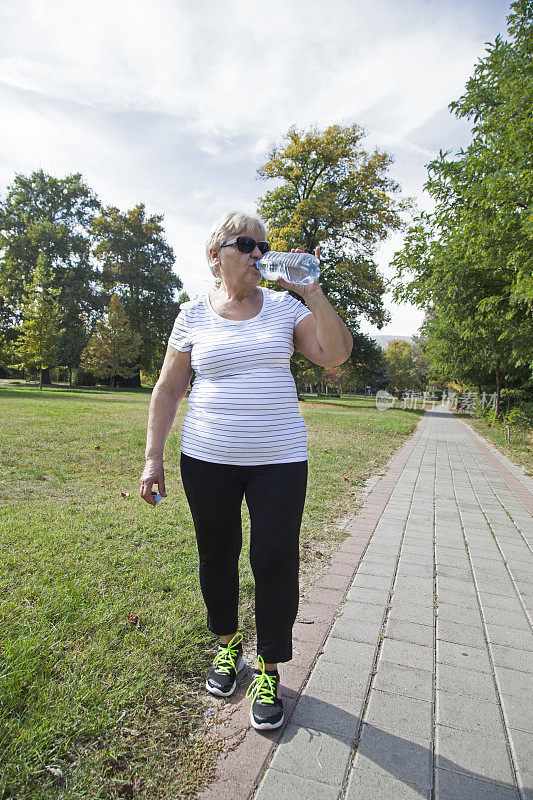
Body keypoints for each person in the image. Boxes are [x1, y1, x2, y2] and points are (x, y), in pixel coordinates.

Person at [140, 211, 352, 731]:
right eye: (246, 245)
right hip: (207, 460)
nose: (258, 254)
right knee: (217, 554)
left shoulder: (284, 308)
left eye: (263, 246)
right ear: (216, 256)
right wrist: (153, 457)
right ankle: (228, 644)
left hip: (279, 461)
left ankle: (270, 669)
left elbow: (336, 355)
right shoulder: (191, 314)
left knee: (274, 558)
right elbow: (169, 389)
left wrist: (313, 293)